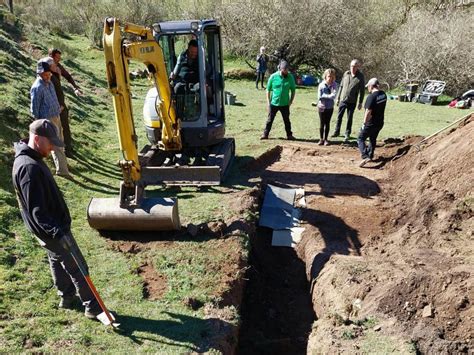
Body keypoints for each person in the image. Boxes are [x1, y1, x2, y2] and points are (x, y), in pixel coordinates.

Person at [12, 119, 101, 319]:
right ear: (37, 138)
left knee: (56, 260)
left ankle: (66, 297)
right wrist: (57, 232)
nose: (52, 147)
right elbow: (37, 210)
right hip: (52, 228)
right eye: (50, 142)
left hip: (44, 230)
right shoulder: (29, 167)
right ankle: (93, 307)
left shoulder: (30, 158)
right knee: (78, 266)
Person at [30, 60, 70, 177]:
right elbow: (35, 109)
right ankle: (63, 171)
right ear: (39, 74)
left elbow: (53, 97)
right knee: (56, 145)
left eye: (49, 74)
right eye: (45, 74)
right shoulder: (37, 88)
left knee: (59, 142)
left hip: (56, 116)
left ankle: (62, 168)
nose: (48, 76)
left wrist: (58, 108)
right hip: (47, 120)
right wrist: (38, 123)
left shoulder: (50, 82)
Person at [49, 48, 82, 158]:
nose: (58, 60)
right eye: (56, 58)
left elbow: (67, 76)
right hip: (53, 105)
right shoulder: (47, 72)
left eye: (59, 58)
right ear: (51, 57)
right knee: (56, 129)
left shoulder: (58, 67)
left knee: (65, 127)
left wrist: (75, 88)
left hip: (61, 103)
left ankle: (68, 149)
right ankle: (58, 152)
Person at [260, 60, 296, 140]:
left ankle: (289, 135)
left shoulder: (290, 77)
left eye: (287, 70)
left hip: (285, 104)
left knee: (287, 120)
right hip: (274, 103)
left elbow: (293, 90)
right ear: (280, 69)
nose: (286, 72)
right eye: (285, 70)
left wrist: (290, 101)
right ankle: (265, 134)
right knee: (269, 120)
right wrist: (268, 102)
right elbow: (268, 90)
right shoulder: (273, 77)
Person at [333, 59, 365, 142]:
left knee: (349, 118)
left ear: (358, 67)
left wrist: (360, 102)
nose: (352, 68)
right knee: (339, 116)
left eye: (354, 66)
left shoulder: (360, 77)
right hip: (343, 100)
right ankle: (336, 131)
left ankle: (347, 133)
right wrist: (338, 98)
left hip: (352, 101)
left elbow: (362, 91)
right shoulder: (346, 74)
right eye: (351, 66)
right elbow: (341, 86)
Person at [358, 78, 387, 167]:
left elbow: (368, 112)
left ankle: (365, 155)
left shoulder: (371, 97)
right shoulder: (383, 95)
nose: (368, 89)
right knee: (372, 138)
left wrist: (364, 124)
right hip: (380, 122)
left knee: (360, 138)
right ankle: (370, 155)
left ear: (371, 86)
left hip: (371, 123)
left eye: (368, 87)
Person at [316, 68, 338, 146]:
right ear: (325, 76)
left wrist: (325, 96)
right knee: (322, 123)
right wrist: (329, 95)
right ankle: (321, 139)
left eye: (332, 76)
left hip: (330, 107)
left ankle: (326, 139)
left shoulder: (335, 85)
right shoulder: (321, 85)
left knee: (327, 123)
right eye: (329, 76)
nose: (330, 78)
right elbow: (319, 97)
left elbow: (334, 96)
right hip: (321, 107)